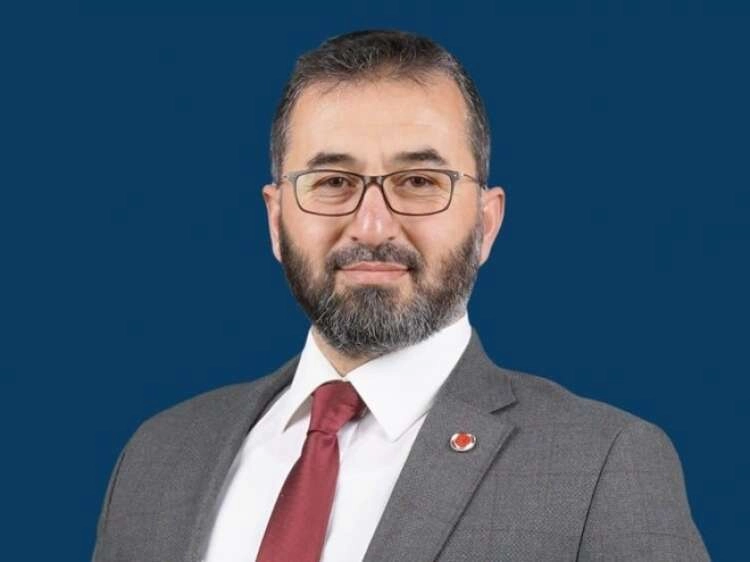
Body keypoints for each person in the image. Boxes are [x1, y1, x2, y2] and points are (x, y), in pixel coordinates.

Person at [92, 30, 709, 562]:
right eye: (333, 181)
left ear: (486, 223)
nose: (372, 226)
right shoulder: (158, 457)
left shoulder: (601, 465)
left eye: (418, 181)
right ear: (276, 220)